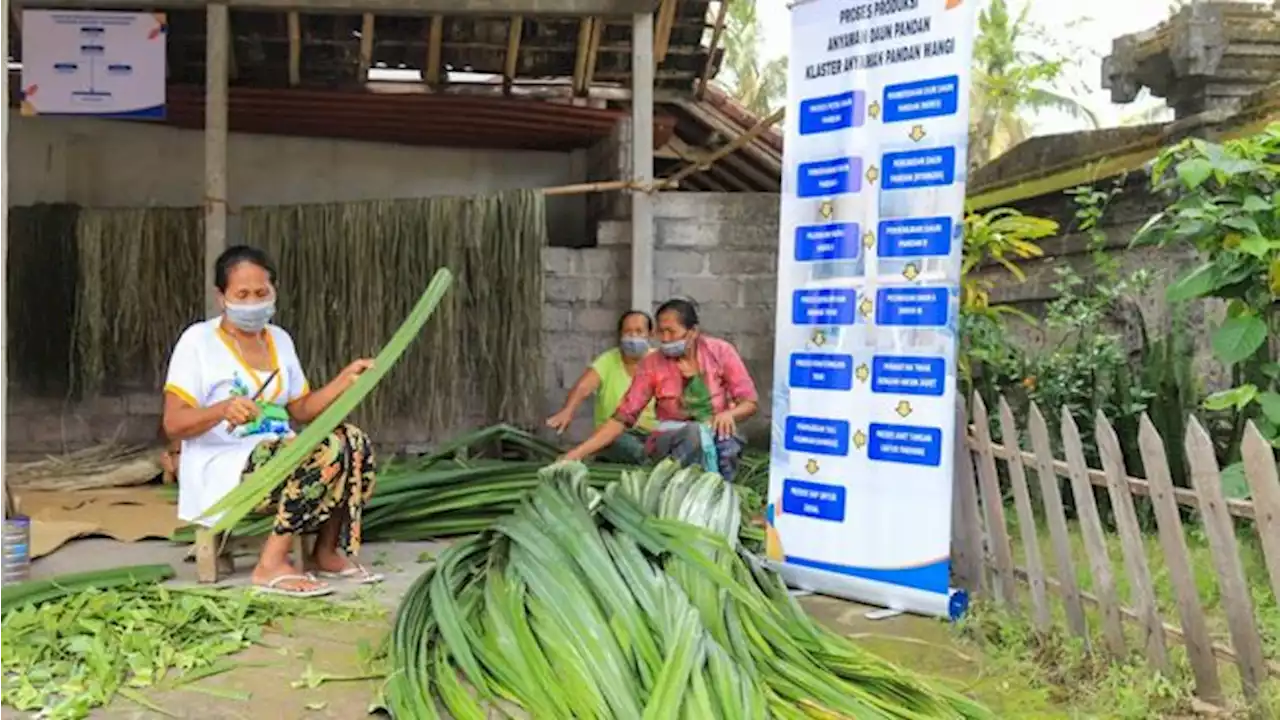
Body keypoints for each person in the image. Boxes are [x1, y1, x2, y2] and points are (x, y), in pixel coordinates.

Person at [162, 245, 381, 597]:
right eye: (242, 295)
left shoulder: (280, 339)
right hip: (225, 464)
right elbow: (173, 423)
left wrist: (346, 379)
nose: (253, 303)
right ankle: (271, 564)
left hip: (281, 453)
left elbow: (302, 409)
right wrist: (222, 409)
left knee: (352, 439)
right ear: (221, 298)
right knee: (317, 451)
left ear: (274, 291)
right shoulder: (198, 341)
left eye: (261, 293)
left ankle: (324, 551)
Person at [563, 298, 759, 481]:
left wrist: (729, 415)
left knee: (726, 444)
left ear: (692, 332)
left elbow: (750, 403)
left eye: (671, 332)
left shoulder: (720, 352)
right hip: (671, 440)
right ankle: (676, 488)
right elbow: (622, 417)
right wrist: (576, 454)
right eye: (660, 332)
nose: (664, 339)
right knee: (691, 434)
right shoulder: (652, 364)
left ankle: (723, 490)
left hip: (717, 433)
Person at [545, 310, 658, 463]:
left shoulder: (661, 363)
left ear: (650, 334)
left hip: (654, 436)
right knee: (626, 446)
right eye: (628, 332)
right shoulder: (608, 361)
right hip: (613, 437)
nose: (633, 337)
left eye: (639, 331)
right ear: (620, 335)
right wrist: (567, 410)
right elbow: (584, 386)